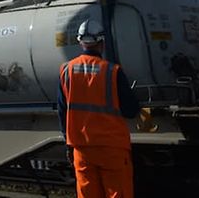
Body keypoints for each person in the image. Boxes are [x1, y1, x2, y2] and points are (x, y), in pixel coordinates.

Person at [57, 18, 141, 198]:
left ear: (80, 43)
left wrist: (68, 144)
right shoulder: (112, 72)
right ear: (101, 43)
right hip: (112, 149)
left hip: (82, 149)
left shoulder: (66, 72)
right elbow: (131, 110)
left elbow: (62, 113)